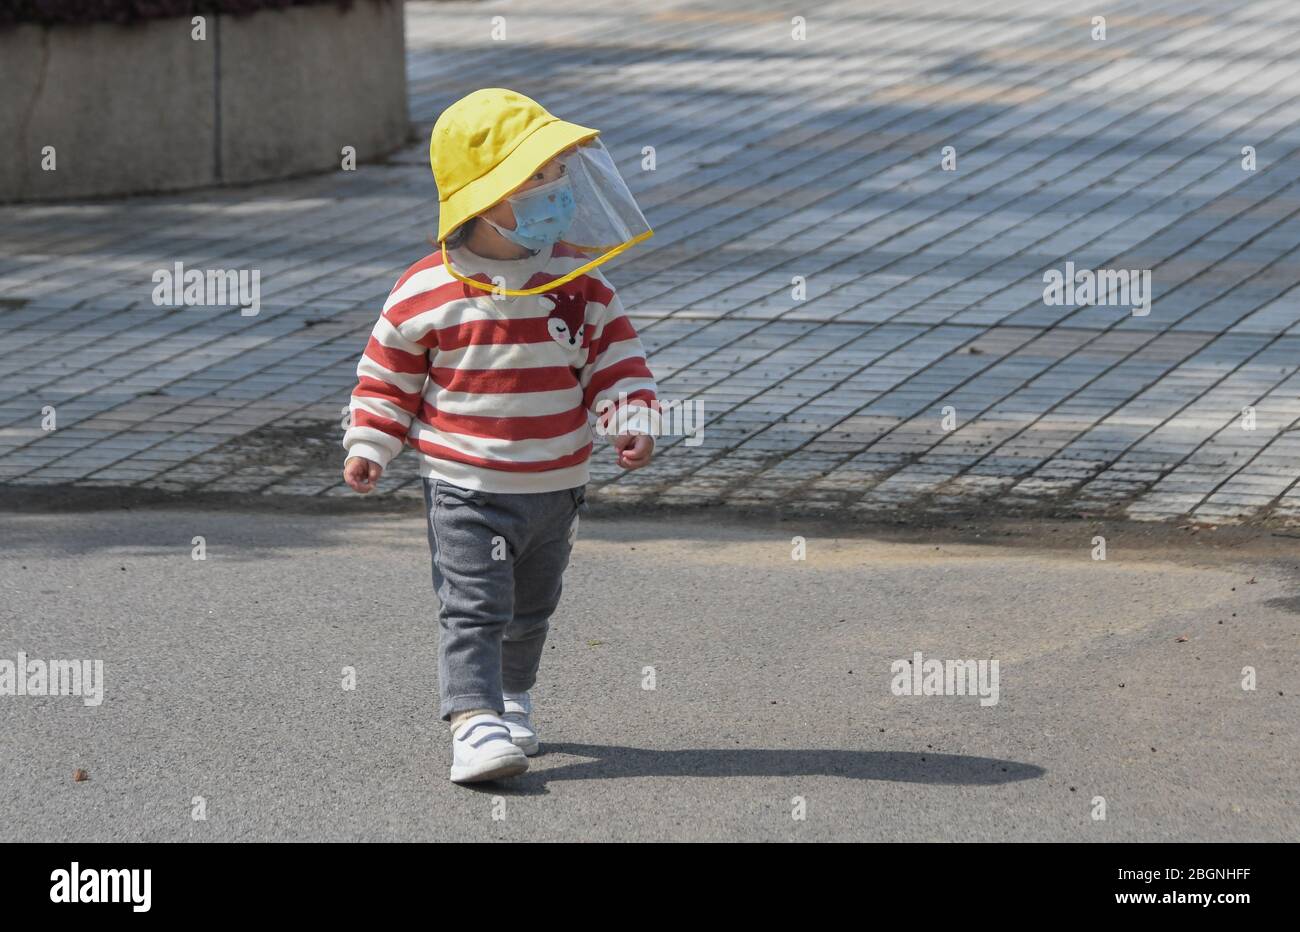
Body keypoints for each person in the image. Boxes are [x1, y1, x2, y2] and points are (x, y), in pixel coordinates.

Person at [341, 88, 658, 783]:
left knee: (532, 608)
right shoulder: (428, 290)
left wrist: (628, 418)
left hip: (556, 487)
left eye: (557, 177)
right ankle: (472, 720)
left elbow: (616, 360)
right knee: (476, 605)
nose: (557, 193)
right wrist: (371, 442)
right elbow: (387, 378)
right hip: (467, 487)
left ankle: (511, 698)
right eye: (536, 180)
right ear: (484, 199)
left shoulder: (578, 284)